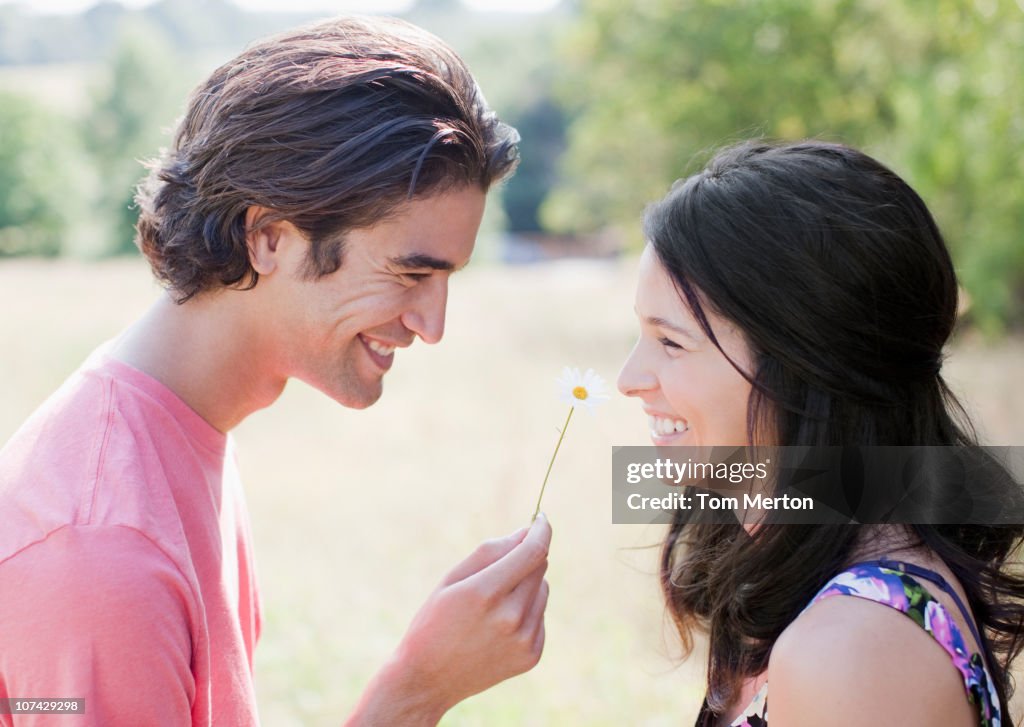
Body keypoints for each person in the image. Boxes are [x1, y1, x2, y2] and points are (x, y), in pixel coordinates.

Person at [0, 16, 551, 726]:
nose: (432, 325)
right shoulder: (102, 548)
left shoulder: (182, 431)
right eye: (411, 272)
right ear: (268, 238)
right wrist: (415, 692)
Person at [617, 140, 1024, 727]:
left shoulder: (851, 650)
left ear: (803, 363)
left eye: (671, 342)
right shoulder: (808, 583)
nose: (630, 380)